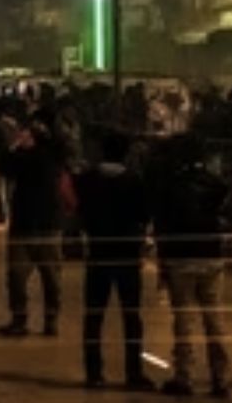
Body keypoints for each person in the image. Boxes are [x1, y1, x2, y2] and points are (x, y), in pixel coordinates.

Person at [151, 133, 232, 399]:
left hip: (180, 257)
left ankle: (184, 376)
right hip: (211, 256)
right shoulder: (216, 184)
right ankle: (220, 379)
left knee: (184, 321)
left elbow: (162, 226)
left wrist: (162, 261)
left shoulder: (170, 185)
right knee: (214, 320)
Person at [74, 130, 153, 390]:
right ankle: (133, 372)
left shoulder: (87, 180)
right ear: (126, 153)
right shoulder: (135, 181)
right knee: (132, 316)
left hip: (98, 253)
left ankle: (94, 373)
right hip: (127, 255)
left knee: (94, 316)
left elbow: (80, 211)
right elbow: (144, 215)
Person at [0, 114, 65, 337]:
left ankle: (29, 319)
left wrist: (16, 145)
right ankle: (42, 320)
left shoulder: (44, 157)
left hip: (36, 224)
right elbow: (5, 167)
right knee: (42, 277)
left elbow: (4, 165)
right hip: (39, 224)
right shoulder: (35, 157)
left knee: (34, 277)